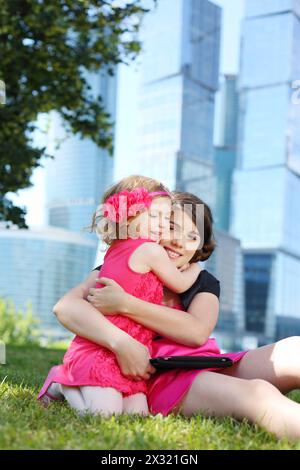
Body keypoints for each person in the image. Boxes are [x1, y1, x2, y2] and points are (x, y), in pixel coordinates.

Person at [51, 190, 300, 440]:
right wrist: (122, 343)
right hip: (162, 378)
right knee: (257, 394)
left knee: (295, 349)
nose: (180, 242)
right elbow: (66, 307)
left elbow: (196, 332)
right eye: (172, 227)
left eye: (192, 237)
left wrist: (125, 303)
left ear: (199, 248)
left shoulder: (202, 281)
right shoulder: (122, 266)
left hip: (206, 363)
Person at [37, 176, 201, 416]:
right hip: (102, 350)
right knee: (103, 416)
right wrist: (195, 269)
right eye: (155, 216)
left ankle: (70, 383)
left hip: (128, 351)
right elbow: (179, 284)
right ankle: (61, 383)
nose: (163, 224)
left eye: (167, 218)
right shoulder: (150, 250)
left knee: (138, 417)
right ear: (130, 214)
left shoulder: (115, 250)